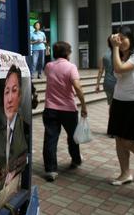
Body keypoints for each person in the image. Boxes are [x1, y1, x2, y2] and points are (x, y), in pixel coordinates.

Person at [107, 26, 134, 185]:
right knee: (119, 140)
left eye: (123, 37)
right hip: (119, 101)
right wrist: (116, 50)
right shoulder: (118, 56)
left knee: (128, 141)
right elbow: (117, 74)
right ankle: (125, 173)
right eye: (118, 38)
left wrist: (115, 48)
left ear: (130, 38)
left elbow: (119, 69)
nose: (121, 41)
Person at [42, 41, 87, 182]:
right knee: (73, 137)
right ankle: (76, 160)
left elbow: (48, 76)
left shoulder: (49, 66)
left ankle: (50, 170)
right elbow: (78, 88)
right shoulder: (71, 67)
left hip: (50, 108)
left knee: (50, 139)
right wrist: (84, 105)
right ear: (67, 53)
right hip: (68, 109)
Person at [0, 65, 29, 191]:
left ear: (20, 96)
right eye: (6, 92)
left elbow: (21, 161)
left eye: (14, 90)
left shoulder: (26, 130)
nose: (10, 99)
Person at [95, 35, 117, 105]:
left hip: (108, 83)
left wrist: (97, 84)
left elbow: (101, 71)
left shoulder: (104, 56)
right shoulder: (120, 54)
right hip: (118, 83)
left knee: (111, 104)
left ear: (108, 43)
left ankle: (111, 115)